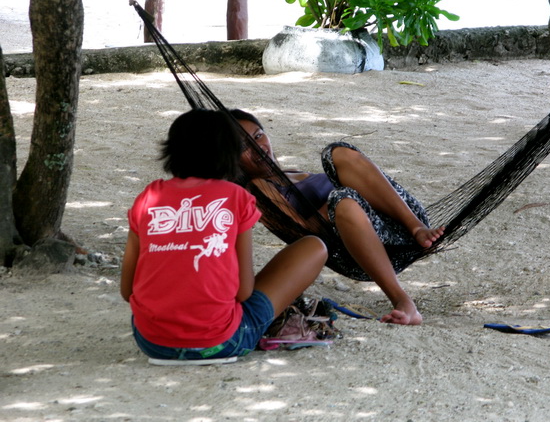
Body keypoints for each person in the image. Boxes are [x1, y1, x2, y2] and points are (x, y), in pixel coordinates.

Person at [120, 109, 327, 365]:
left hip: (152, 343)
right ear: (231, 155)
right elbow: (243, 292)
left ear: (171, 150)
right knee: (314, 247)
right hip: (223, 342)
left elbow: (127, 290)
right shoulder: (235, 197)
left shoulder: (148, 198)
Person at [230, 109, 445, 326]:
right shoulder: (259, 188)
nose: (258, 147)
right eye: (244, 147)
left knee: (336, 152)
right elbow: (307, 234)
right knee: (342, 198)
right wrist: (337, 202)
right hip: (361, 249)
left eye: (258, 135)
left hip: (399, 223)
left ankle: (416, 226)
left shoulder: (289, 173)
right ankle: (403, 300)